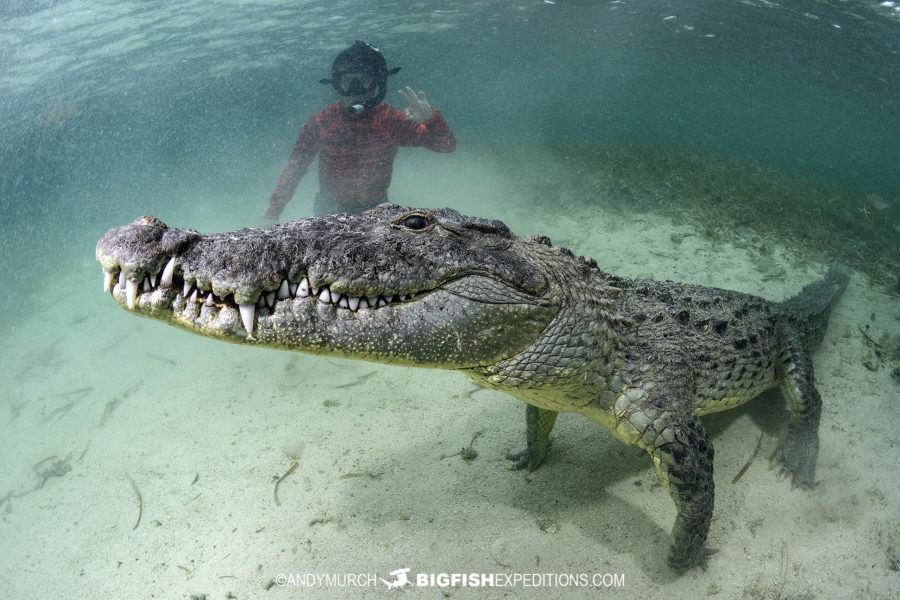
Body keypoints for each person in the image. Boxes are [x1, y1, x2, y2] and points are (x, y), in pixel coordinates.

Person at [264, 41, 456, 223]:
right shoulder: (321, 122)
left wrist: (431, 119)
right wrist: (272, 214)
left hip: (377, 210)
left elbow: (447, 146)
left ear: (377, 83)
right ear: (336, 84)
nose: (355, 90)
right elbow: (294, 170)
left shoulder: (391, 120)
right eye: (347, 81)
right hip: (329, 209)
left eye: (364, 80)